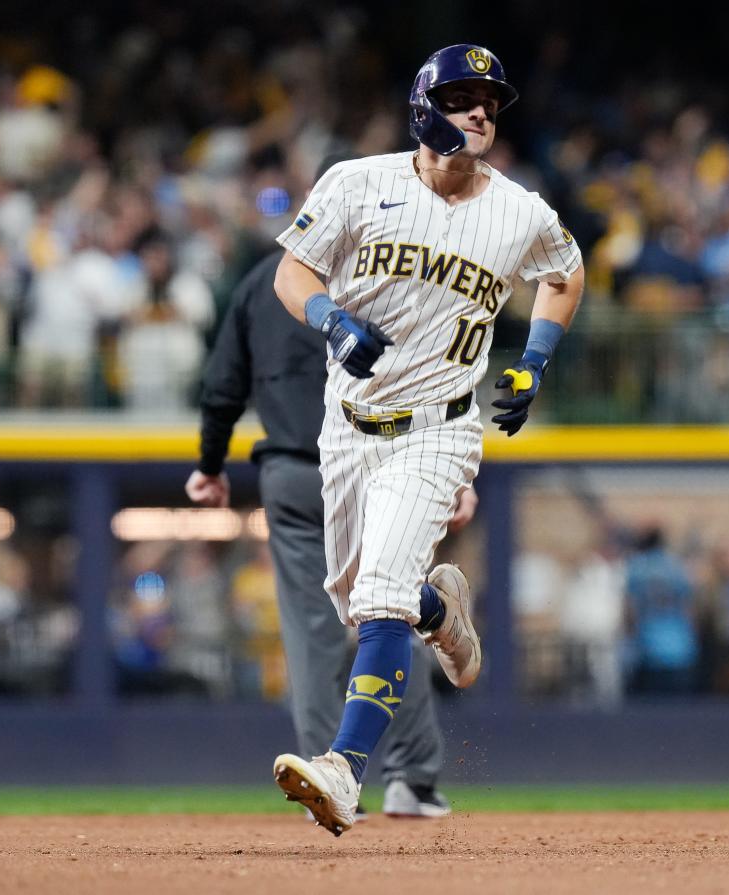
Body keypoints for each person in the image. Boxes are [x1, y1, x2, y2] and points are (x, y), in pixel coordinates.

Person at [270, 43, 584, 836]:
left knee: (376, 595)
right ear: (423, 107)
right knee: (356, 596)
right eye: (461, 96)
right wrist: (332, 320)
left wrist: (535, 362)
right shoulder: (357, 182)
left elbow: (565, 271)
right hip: (347, 426)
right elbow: (292, 274)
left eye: (488, 100)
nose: (480, 110)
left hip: (440, 429)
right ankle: (440, 609)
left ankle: (344, 771)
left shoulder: (519, 209)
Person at [185, 168, 478, 815]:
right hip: (380, 460)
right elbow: (444, 368)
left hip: (294, 472)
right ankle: (411, 777)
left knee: (314, 630)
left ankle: (332, 768)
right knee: (392, 607)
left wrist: (209, 463)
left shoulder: (269, 278)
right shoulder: (406, 266)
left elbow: (221, 385)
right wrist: (454, 469)